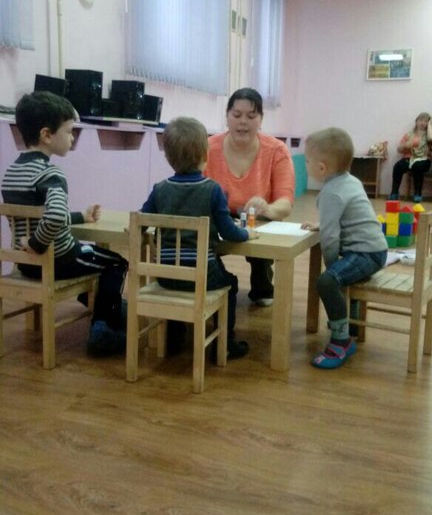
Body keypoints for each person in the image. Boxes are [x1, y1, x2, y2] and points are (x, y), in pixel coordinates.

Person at [1, 91, 128, 357]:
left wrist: (81, 216)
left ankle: (104, 305)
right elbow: (56, 216)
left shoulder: (12, 173)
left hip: (26, 264)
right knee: (116, 263)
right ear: (47, 135)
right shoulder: (51, 173)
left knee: (97, 262)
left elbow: (41, 215)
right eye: (69, 131)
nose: (72, 138)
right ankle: (104, 328)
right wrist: (37, 244)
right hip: (59, 259)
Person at [140, 116, 258, 361]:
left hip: (166, 275)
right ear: (206, 154)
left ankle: (174, 339)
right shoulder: (212, 190)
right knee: (231, 283)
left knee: (180, 278)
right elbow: (230, 232)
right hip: (203, 274)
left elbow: (142, 220)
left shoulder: (160, 189)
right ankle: (225, 344)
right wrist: (248, 233)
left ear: (168, 157)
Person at [301, 127, 388, 370]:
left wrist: (332, 269)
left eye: (307, 161)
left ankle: (341, 341)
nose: (305, 165)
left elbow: (330, 239)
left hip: (365, 253)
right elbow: (349, 218)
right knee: (338, 277)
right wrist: (322, 224)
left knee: (327, 282)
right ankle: (351, 323)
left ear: (321, 168)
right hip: (375, 249)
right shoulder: (350, 181)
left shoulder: (331, 193)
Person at [205, 88, 295, 307]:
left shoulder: (277, 150)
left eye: (251, 116)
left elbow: (285, 202)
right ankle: (215, 278)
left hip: (257, 218)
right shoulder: (207, 147)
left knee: (261, 231)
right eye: (236, 115)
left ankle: (262, 282)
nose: (243, 122)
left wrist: (267, 208)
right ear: (227, 116)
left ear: (261, 120)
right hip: (217, 216)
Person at [389, 111, 432, 202]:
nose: (423, 123)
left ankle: (417, 194)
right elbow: (399, 149)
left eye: (425, 121)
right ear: (416, 121)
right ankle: (394, 193)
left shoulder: (429, 136)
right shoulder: (409, 134)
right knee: (398, 166)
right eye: (421, 120)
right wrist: (406, 145)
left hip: (424, 159)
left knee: (418, 166)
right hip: (409, 158)